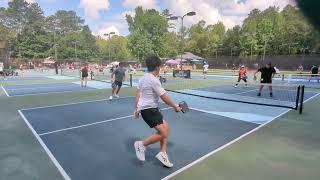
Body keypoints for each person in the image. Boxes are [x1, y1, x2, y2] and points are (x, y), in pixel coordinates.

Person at [133, 55, 181, 168]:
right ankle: (141, 145)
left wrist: (136, 109)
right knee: (163, 133)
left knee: (166, 127)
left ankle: (163, 154)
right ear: (157, 67)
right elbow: (163, 96)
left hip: (149, 109)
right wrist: (175, 106)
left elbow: (138, 94)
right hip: (149, 109)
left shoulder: (143, 78)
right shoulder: (154, 80)